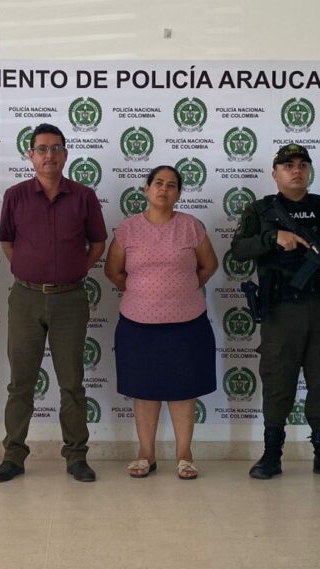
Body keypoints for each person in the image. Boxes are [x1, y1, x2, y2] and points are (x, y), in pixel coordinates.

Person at [230, 143, 320, 480]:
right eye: (287, 165)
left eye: (303, 164)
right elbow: (239, 250)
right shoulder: (260, 211)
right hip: (281, 312)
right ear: (274, 173)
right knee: (277, 383)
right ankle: (271, 455)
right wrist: (274, 236)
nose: (296, 170)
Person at [0, 123, 107, 483]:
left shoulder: (84, 196)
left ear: (65, 154)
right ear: (31, 155)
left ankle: (76, 456)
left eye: (56, 148)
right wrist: (29, 271)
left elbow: (98, 244)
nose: (49, 155)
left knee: (71, 382)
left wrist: (74, 272)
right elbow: (7, 242)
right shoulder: (15, 195)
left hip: (70, 299)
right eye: (41, 149)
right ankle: (13, 455)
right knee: (20, 383)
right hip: (25, 298)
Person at [104, 165, 218, 480]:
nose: (163, 189)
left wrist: (182, 288)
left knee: (183, 390)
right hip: (137, 323)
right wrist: (142, 292)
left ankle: (184, 455)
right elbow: (113, 271)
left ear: (178, 193)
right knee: (144, 390)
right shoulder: (127, 229)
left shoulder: (191, 227)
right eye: (157, 183)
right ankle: (146, 454)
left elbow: (209, 264)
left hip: (187, 322)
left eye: (171, 185)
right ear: (146, 189)